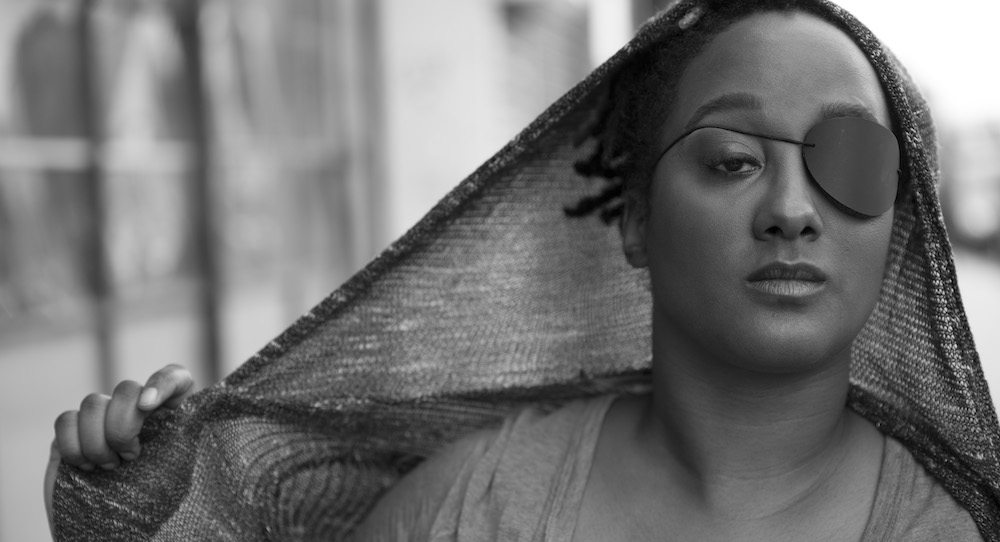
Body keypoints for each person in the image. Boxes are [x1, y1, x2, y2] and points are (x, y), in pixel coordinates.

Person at [47, 0, 1000, 540]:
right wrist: (146, 510)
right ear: (633, 220)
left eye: (849, 164)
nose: (792, 208)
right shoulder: (473, 507)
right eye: (732, 160)